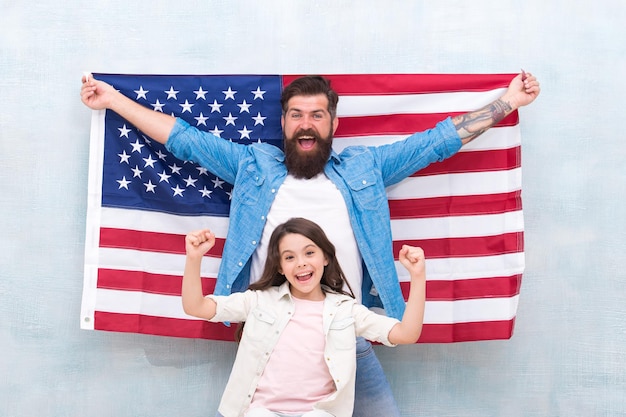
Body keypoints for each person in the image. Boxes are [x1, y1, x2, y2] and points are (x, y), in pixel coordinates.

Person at [80, 72, 540, 416]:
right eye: (296, 115)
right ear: (283, 121)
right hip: (271, 335)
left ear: (332, 121)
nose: (306, 124)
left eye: (317, 115)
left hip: (348, 333)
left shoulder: (365, 167)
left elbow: (437, 141)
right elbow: (184, 140)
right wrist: (113, 99)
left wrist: (508, 101)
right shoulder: (252, 166)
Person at [182, 217, 427, 417]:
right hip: (262, 412)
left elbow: (406, 334)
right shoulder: (259, 300)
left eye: (309, 253)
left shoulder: (345, 310)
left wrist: (417, 277)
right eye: (289, 257)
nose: (301, 263)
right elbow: (196, 307)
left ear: (325, 257)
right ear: (280, 267)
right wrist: (194, 259)